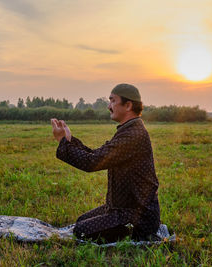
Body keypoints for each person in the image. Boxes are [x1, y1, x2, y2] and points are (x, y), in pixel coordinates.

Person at [50, 83, 160, 243]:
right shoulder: (128, 130)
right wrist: (69, 141)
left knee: (81, 230)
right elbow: (96, 155)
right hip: (119, 208)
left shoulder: (132, 135)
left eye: (112, 101)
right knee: (81, 221)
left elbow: (92, 162)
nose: (109, 106)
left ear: (128, 105)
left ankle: (138, 233)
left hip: (137, 216)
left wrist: (62, 142)